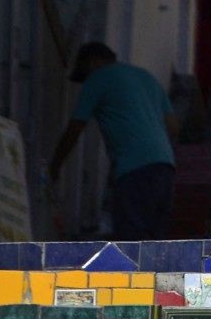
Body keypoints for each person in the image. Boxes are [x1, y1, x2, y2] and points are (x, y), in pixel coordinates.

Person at [48, 42, 178, 240]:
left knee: (132, 243)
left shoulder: (98, 79)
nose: (85, 82)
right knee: (154, 243)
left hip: (134, 171)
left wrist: (54, 167)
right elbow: (173, 127)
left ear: (92, 62)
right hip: (165, 168)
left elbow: (74, 129)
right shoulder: (146, 77)